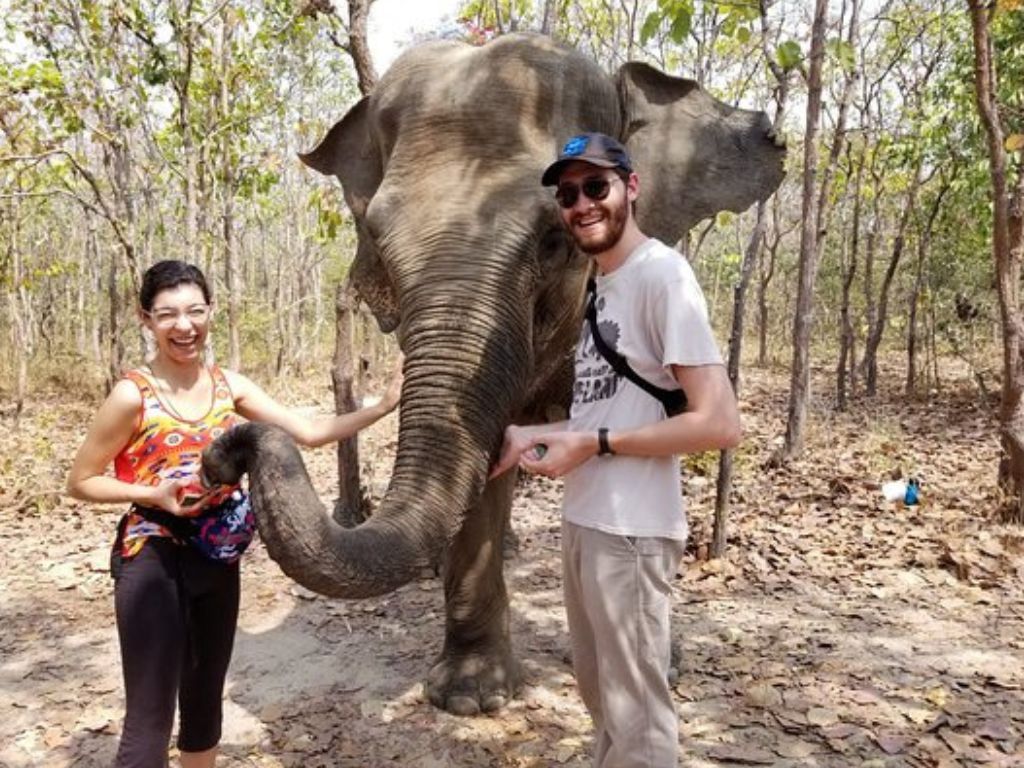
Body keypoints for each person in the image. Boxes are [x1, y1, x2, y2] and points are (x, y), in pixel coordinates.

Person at [66, 260, 402, 768]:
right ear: (146, 320)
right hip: (152, 556)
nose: (184, 326)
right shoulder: (132, 394)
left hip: (217, 558)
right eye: (168, 315)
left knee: (203, 707)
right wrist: (154, 494)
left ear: (211, 312)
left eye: (195, 311)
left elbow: (307, 432)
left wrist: (381, 407)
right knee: (149, 725)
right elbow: (81, 480)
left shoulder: (231, 386)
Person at [491, 133, 741, 767]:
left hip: (632, 529)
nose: (581, 204)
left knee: (639, 720)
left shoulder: (662, 275)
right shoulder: (602, 287)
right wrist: (538, 435)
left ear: (631, 187)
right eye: (568, 193)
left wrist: (595, 442)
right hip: (587, 520)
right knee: (603, 699)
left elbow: (719, 422)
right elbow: (611, 408)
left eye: (596, 186)